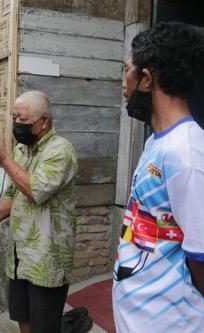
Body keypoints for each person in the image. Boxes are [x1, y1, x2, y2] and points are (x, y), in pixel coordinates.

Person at [113, 22, 204, 333]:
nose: (124, 82)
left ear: (146, 79)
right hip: (139, 316)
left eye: (127, 71)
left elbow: (201, 256)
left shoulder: (187, 153)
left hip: (170, 323)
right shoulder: (157, 141)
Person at [0, 91, 78, 333]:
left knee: (44, 326)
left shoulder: (60, 150)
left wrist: (2, 158)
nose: (16, 125)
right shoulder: (20, 152)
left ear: (43, 122)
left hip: (47, 258)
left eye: (22, 120)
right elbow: (13, 196)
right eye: (14, 118)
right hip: (19, 256)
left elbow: (36, 191)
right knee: (23, 317)